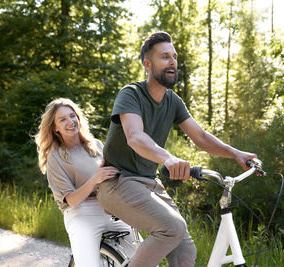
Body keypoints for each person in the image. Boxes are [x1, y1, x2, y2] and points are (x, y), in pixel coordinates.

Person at [97, 32, 258, 267]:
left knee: (184, 251)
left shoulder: (173, 101)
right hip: (117, 182)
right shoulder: (131, 94)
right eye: (164, 57)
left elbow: (201, 136)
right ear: (147, 64)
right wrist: (169, 158)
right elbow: (135, 136)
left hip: (149, 184)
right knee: (172, 228)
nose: (172, 61)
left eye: (174, 57)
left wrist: (236, 153)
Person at [34, 98, 134, 266]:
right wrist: (95, 179)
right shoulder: (55, 157)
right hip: (81, 213)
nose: (70, 122)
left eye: (72, 116)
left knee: (143, 257)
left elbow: (112, 175)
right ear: (54, 128)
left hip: (111, 208)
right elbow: (71, 200)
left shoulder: (96, 145)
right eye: (62, 119)